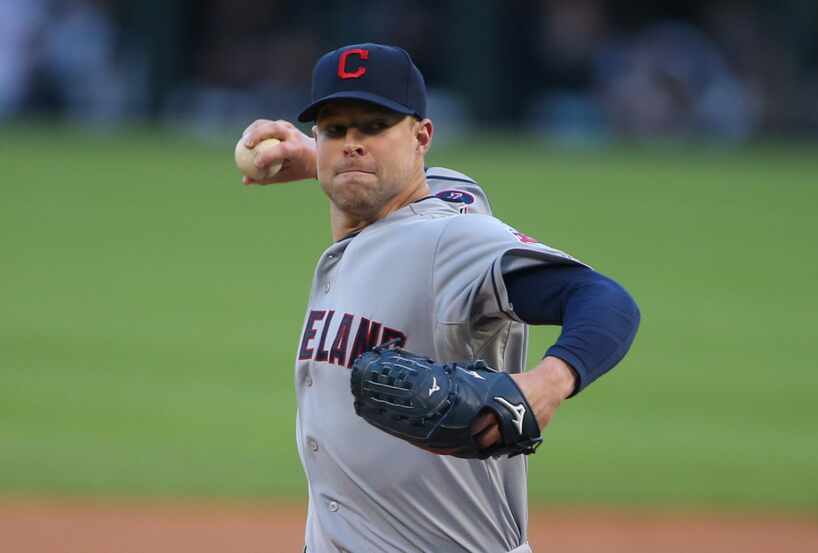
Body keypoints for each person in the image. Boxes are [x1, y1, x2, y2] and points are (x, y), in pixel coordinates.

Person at [238, 43, 640, 553]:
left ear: (422, 136)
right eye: (335, 130)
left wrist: (547, 383)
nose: (352, 144)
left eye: (374, 126)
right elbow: (427, 185)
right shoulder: (433, 199)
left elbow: (604, 298)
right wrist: (318, 159)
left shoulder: (450, 241)